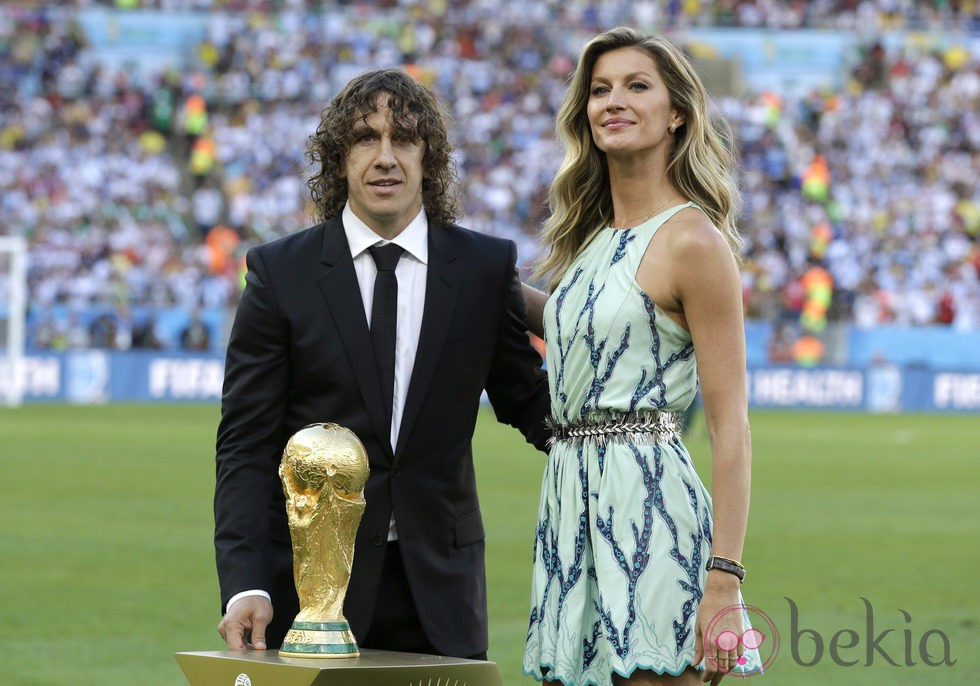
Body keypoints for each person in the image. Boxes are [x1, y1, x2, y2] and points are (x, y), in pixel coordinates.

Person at [213, 68, 551, 660]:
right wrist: (246, 582)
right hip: (308, 590)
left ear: (430, 157)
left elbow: (531, 405)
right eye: (367, 138)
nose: (386, 157)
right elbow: (246, 441)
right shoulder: (279, 274)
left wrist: (627, 440)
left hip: (440, 594)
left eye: (405, 138)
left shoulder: (482, 269)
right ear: (338, 159)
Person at [520, 27, 757, 685]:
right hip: (571, 509)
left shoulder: (693, 241)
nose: (612, 102)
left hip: (652, 514)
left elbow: (729, 423)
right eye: (599, 90)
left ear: (677, 111)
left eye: (635, 86)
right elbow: (578, 329)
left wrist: (725, 579)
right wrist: (474, 276)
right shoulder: (594, 239)